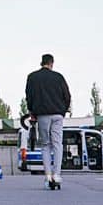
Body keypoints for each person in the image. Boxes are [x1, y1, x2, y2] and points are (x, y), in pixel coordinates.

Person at [23, 53, 72, 192]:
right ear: (52, 63)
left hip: (42, 115)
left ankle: (48, 177)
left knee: (45, 145)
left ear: (42, 62)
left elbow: (29, 96)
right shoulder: (58, 77)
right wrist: (63, 110)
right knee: (57, 144)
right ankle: (57, 175)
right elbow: (67, 96)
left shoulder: (32, 77)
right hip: (57, 114)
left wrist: (32, 112)